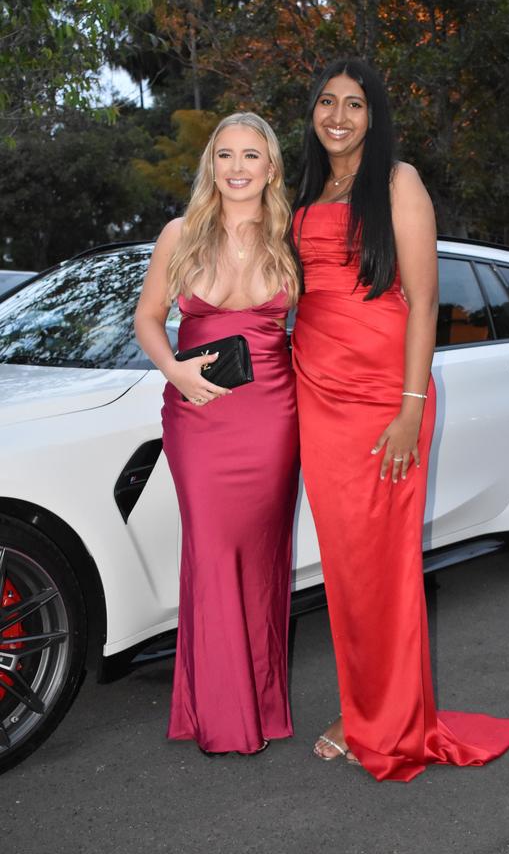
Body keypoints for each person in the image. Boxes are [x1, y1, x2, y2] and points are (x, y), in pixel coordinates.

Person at [291, 59, 509, 782]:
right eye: (327, 102)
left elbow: (424, 302)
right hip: (315, 389)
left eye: (354, 104)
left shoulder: (398, 182)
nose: (338, 115)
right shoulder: (305, 190)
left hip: (383, 397)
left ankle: (383, 719)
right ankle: (365, 705)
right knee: (345, 566)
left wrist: (409, 409)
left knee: (381, 566)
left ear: (375, 115)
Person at [135, 112, 300, 756]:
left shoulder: (292, 237)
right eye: (225, 154)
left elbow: (325, 328)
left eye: (251, 155)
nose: (237, 167)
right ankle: (219, 711)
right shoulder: (180, 234)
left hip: (272, 418)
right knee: (209, 551)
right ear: (212, 164)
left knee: (260, 559)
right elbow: (149, 317)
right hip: (196, 416)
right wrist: (173, 368)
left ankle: (257, 705)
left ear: (271, 167)